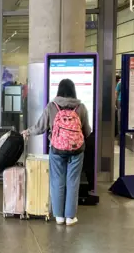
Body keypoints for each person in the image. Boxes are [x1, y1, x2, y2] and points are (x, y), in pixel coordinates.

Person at [22, 79, 91, 226]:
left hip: (57, 149)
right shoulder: (81, 107)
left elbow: (40, 127)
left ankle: (59, 216)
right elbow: (87, 131)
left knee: (57, 181)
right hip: (77, 150)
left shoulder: (52, 106)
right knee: (73, 182)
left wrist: (27, 132)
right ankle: (70, 217)